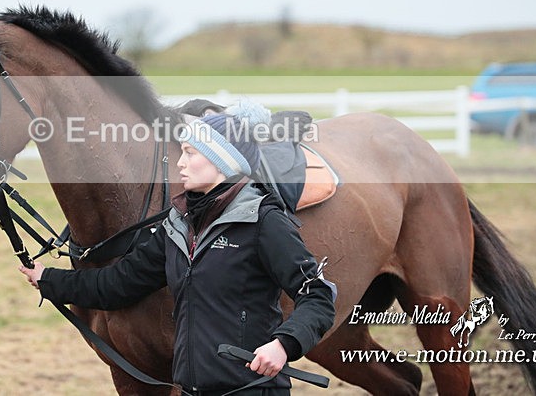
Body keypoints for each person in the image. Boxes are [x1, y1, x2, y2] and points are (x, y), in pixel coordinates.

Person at [19, 109, 336, 395]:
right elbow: (119, 283)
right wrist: (48, 279)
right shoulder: (178, 227)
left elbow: (318, 295)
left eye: (189, 153)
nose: (180, 163)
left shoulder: (264, 221)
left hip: (250, 388)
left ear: (222, 161)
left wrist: (283, 344)